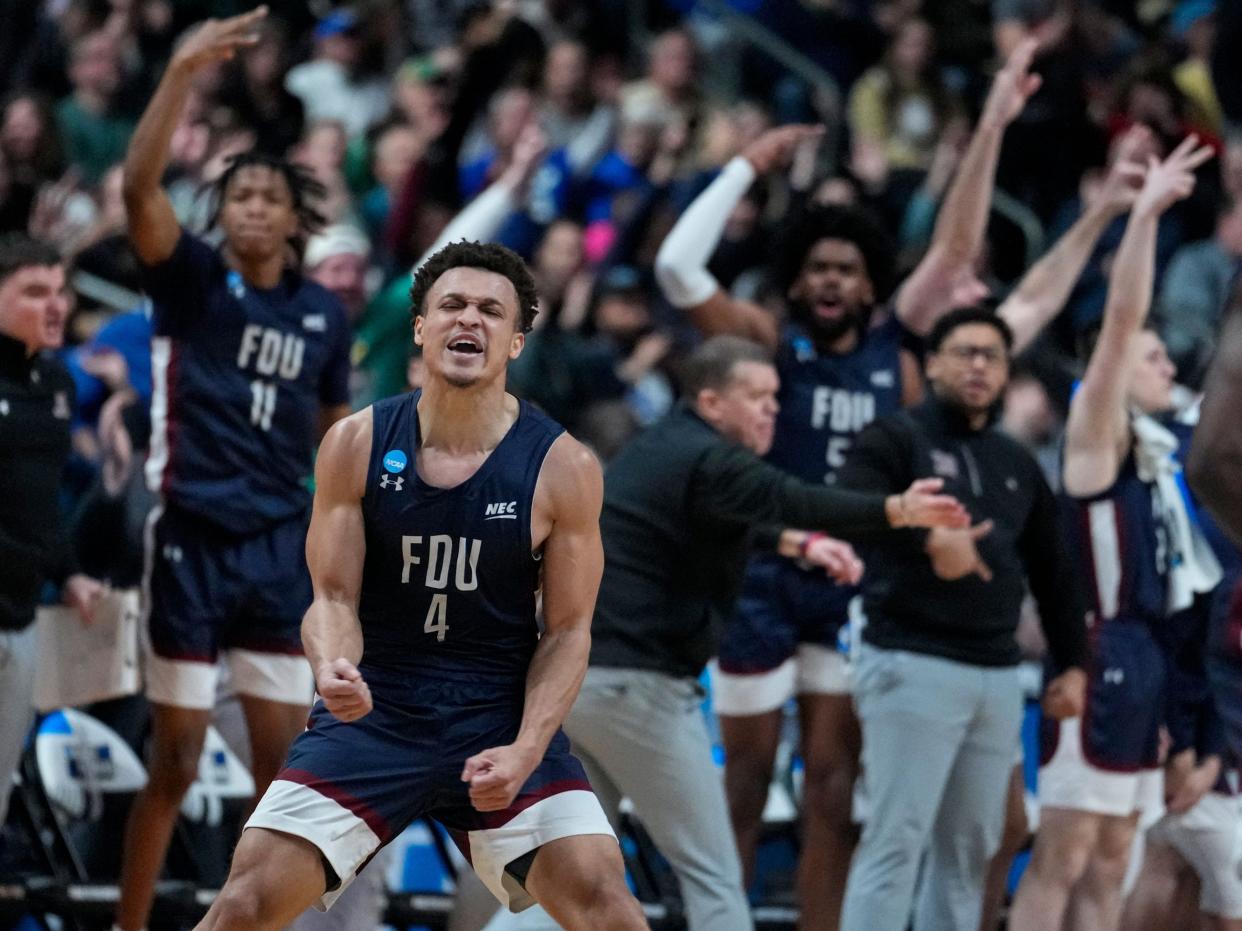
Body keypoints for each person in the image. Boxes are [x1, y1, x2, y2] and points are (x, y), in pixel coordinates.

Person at [652, 40, 1133, 929]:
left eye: (849, 269)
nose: (832, 280)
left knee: (835, 790)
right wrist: (742, 170)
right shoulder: (766, 337)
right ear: (797, 275)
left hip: (848, 583)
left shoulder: (901, 353)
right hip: (761, 572)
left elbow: (955, 248)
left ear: (873, 282)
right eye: (818, 268)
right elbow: (678, 271)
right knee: (746, 780)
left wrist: (990, 122)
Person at [195, 239, 647, 931]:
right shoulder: (355, 443)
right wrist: (332, 666)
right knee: (245, 903)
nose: (470, 319)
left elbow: (566, 630)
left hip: (496, 709)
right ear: (420, 327)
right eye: (453, 305)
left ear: (516, 339)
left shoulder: (564, 465)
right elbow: (334, 599)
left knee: (608, 906)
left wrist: (527, 748)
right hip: (380, 709)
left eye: (491, 310)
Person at [114, 10, 353, 931]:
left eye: (269, 196)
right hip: (187, 536)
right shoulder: (194, 282)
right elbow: (139, 185)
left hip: (274, 546)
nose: (252, 205)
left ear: (297, 218)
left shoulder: (324, 319)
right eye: (239, 195)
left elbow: (338, 449)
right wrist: (178, 75)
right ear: (222, 214)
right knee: (173, 760)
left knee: (283, 772)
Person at [1010, 136, 1219, 931]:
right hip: (1095, 652)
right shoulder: (1095, 442)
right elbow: (1123, 319)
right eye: (1153, 358)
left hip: (1149, 655)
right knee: (1063, 854)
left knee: (1111, 856)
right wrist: (1145, 218)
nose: (1167, 367)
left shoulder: (1164, 457)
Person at [832, 306, 1088, 931]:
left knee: (971, 852)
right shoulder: (893, 440)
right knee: (896, 840)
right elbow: (844, 512)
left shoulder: (1016, 461)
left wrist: (1075, 663)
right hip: (910, 659)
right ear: (933, 363)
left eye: (992, 356)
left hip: (997, 675)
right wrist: (924, 541)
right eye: (965, 352)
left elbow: (1056, 574)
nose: (979, 366)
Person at [0, 232, 104, 827]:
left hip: (22, 616)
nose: (56, 305)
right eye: (35, 292)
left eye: (60, 291)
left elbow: (43, 501)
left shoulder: (57, 384)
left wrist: (68, 574)